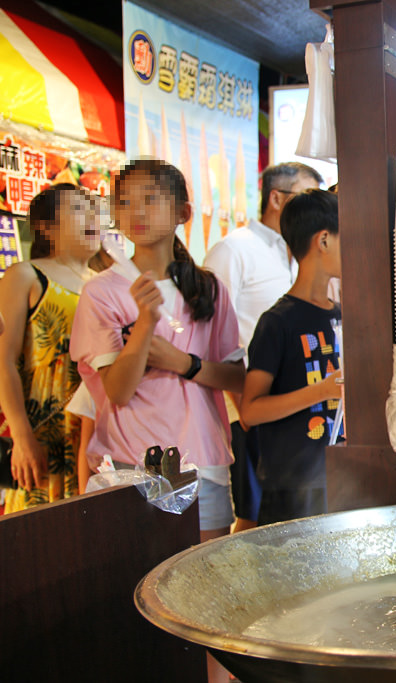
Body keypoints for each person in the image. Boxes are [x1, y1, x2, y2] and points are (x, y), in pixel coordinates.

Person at [70, 159, 245, 543]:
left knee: (202, 580)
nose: (137, 211)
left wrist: (184, 364)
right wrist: (145, 325)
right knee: (127, 581)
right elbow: (117, 391)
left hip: (201, 459)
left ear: (183, 212)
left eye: (150, 199)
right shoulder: (101, 291)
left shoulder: (208, 288)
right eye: (126, 202)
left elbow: (236, 377)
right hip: (128, 460)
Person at [203, 162, 323, 532]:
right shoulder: (233, 249)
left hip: (293, 409)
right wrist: (243, 410)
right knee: (251, 512)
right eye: (306, 196)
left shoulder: (295, 252)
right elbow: (210, 333)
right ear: (276, 197)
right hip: (247, 406)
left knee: (282, 512)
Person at [240, 189, 343, 525]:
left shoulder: (343, 316)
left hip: (340, 480)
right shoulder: (278, 322)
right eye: (348, 237)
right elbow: (250, 411)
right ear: (324, 240)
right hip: (291, 488)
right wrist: (322, 391)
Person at [0, 183, 99, 511]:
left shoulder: (104, 282)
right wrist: (21, 435)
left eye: (94, 209)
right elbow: (3, 361)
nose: (91, 216)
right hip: (42, 435)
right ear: (44, 226)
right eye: (78, 209)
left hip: (96, 437)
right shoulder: (26, 275)